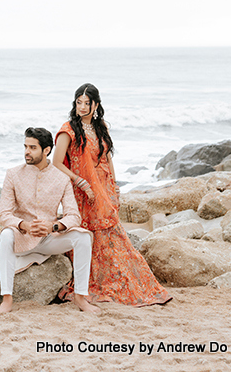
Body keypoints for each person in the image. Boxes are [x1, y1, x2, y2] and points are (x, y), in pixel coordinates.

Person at [53, 83, 171, 306]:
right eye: (79, 102)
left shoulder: (101, 127)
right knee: (90, 234)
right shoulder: (68, 130)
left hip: (104, 189)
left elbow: (107, 158)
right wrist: (80, 181)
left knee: (114, 235)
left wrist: (114, 188)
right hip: (82, 192)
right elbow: (56, 163)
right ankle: (85, 283)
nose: (82, 107)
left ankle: (123, 281)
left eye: (87, 103)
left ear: (96, 105)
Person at [0, 127, 100, 315]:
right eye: (25, 146)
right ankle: (7, 300)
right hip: (22, 236)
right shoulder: (13, 174)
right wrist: (23, 225)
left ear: (46, 150)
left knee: (83, 237)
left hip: (49, 239)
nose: (27, 151)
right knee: (7, 234)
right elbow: (4, 214)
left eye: (32, 147)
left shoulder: (62, 178)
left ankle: (80, 298)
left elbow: (74, 215)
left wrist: (53, 226)